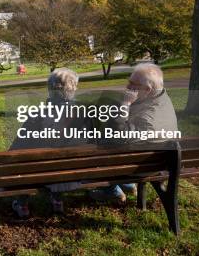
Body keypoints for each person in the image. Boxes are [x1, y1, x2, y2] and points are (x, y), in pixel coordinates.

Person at [90, 62, 179, 203]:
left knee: (96, 145)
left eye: (133, 84)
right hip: (155, 162)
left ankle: (113, 191)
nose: (127, 87)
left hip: (140, 167)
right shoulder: (162, 98)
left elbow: (118, 136)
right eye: (128, 82)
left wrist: (125, 104)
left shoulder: (148, 120)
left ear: (148, 89)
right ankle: (128, 185)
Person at [10, 67, 89, 217]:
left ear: (49, 90)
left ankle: (22, 204)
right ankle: (57, 200)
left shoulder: (38, 115)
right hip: (74, 174)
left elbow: (17, 148)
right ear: (74, 89)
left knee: (23, 164)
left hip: (42, 173)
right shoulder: (85, 113)